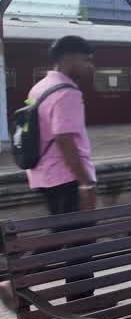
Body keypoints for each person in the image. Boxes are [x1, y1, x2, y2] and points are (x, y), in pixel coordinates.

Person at [6, 36, 100, 305]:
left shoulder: (39, 87)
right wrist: (85, 183)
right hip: (67, 177)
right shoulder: (67, 92)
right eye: (86, 60)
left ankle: (75, 296)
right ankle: (79, 299)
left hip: (43, 174)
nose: (91, 67)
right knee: (79, 239)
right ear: (69, 58)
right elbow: (64, 138)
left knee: (62, 235)